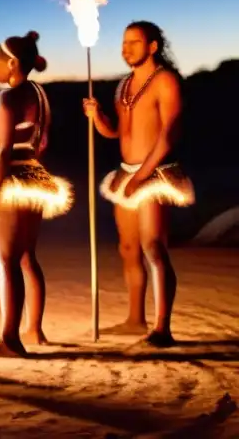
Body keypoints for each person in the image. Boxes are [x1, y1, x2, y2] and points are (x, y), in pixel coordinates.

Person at [83, 21, 192, 348]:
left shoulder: (165, 81)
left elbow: (168, 135)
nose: (125, 48)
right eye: (123, 42)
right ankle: (135, 319)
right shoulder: (124, 85)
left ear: (153, 46)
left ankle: (162, 329)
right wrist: (98, 117)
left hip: (154, 174)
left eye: (133, 42)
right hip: (126, 172)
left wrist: (142, 177)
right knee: (128, 249)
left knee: (153, 248)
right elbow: (117, 132)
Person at [0, 31, 73, 357]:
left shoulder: (9, 97)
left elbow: (4, 150)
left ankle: (9, 340)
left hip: (14, 177)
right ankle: (34, 329)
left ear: (11, 62)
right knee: (27, 258)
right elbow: (41, 143)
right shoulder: (39, 93)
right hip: (36, 175)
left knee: (7, 260)